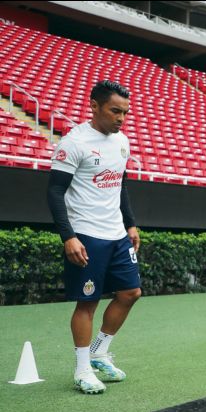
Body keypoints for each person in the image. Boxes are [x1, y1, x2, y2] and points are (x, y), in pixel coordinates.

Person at [46, 80, 141, 394]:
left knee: (130, 293)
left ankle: (100, 352)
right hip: (86, 234)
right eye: (115, 111)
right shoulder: (74, 143)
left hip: (116, 234)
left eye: (125, 112)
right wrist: (68, 237)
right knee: (87, 302)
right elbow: (55, 192)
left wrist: (130, 224)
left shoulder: (122, 141)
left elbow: (120, 186)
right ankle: (83, 369)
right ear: (95, 106)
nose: (121, 118)